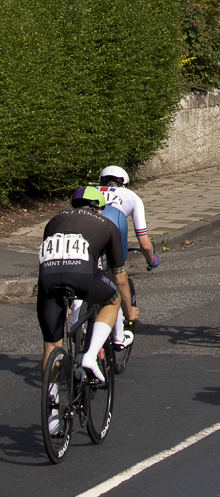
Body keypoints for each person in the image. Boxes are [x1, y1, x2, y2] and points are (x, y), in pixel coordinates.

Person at [38, 187, 136, 388]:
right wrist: (129, 312)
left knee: (51, 345)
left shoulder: (53, 221)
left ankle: (53, 412)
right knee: (113, 298)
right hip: (81, 274)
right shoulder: (107, 224)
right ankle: (90, 356)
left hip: (48, 278)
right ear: (99, 209)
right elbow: (120, 279)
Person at [95, 166, 157, 353]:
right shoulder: (131, 196)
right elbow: (144, 244)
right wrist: (151, 260)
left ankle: (78, 321)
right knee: (118, 279)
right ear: (125, 183)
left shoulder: (89, 191)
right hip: (114, 225)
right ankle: (119, 336)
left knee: (87, 272)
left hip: (86, 230)